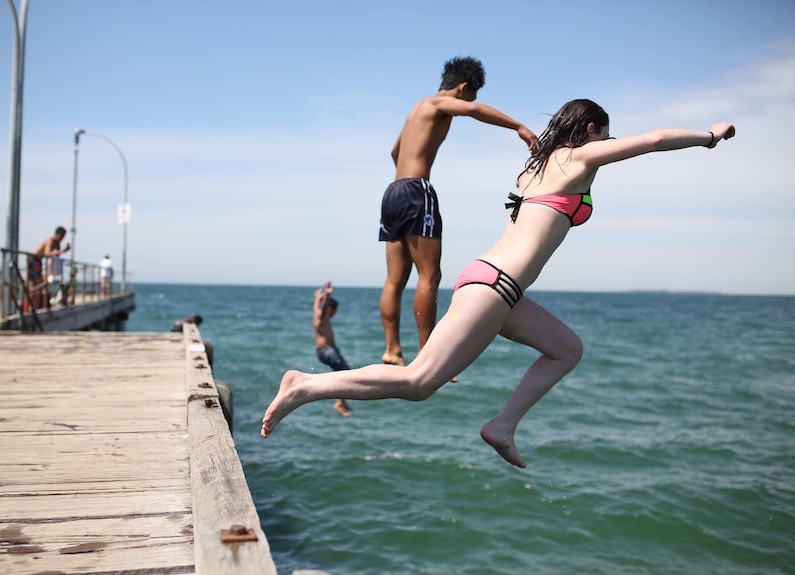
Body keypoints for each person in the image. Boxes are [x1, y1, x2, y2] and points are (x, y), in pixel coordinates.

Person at [262, 99, 736, 469]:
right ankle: (306, 385)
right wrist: (709, 137)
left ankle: (503, 425)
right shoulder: (580, 156)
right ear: (591, 130)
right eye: (605, 134)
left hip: (498, 287)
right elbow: (653, 139)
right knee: (418, 382)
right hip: (496, 285)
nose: (608, 142)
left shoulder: (535, 167)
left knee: (567, 349)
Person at [378, 56, 539, 368]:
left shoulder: (416, 109)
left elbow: (395, 151)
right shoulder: (439, 104)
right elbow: (473, 111)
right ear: (464, 87)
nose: (470, 101)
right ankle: (428, 355)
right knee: (430, 274)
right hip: (415, 191)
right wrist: (518, 126)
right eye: (471, 94)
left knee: (394, 280)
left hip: (393, 192)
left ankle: (392, 350)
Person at [313, 281, 354, 417]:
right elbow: (323, 309)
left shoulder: (318, 315)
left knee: (343, 373)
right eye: (335, 311)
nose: (335, 314)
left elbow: (317, 308)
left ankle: (342, 400)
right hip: (327, 351)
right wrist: (326, 296)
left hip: (329, 350)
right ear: (331, 310)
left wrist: (318, 298)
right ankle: (340, 402)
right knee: (346, 373)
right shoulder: (323, 316)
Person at [28, 226, 70, 309]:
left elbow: (56, 254)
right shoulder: (50, 241)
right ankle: (32, 306)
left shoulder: (56, 243)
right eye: (62, 237)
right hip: (34, 260)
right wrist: (62, 251)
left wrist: (62, 250)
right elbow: (47, 253)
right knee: (38, 284)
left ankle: (36, 306)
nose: (62, 239)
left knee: (39, 284)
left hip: (38, 261)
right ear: (58, 234)